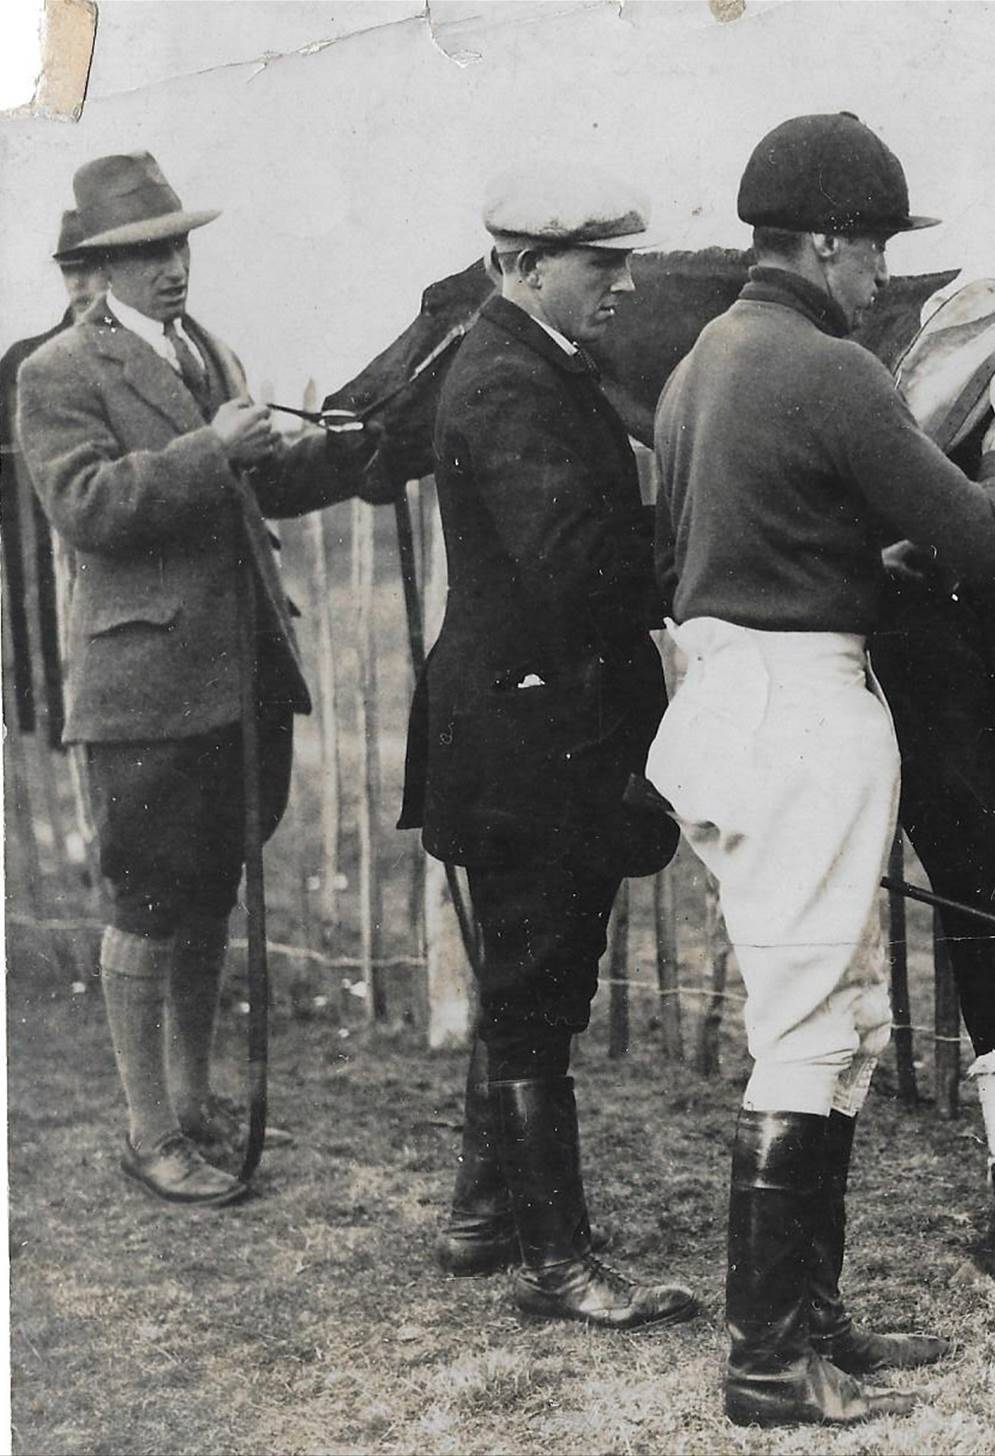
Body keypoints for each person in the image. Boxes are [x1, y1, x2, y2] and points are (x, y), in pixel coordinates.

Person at [647, 111, 995, 1427]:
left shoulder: (701, 363)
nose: (881, 273)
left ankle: (808, 1322)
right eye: (872, 246)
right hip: (800, 712)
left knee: (828, 1021)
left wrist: (834, 565)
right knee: (808, 1033)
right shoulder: (831, 368)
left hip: (727, 695)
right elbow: (982, 542)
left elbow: (716, 547)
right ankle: (768, 1362)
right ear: (820, 242)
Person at [12, 151, 390, 1208]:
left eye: (177, 245)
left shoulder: (204, 353)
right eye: (145, 252)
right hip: (143, 692)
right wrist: (214, 451)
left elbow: (259, 481)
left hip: (238, 677)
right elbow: (88, 507)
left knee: (209, 890)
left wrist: (354, 452)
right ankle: (147, 1132)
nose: (171, 268)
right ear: (101, 265)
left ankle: (191, 1101)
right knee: (146, 899)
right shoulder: (57, 373)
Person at [396, 161, 697, 1332]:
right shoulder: (508, 386)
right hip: (535, 732)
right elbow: (579, 570)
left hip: (539, 723)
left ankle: (485, 1216)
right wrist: (699, 553)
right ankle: (557, 1262)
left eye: (624, 262)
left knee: (537, 980)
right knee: (535, 990)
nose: (622, 286)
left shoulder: (544, 366)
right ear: (522, 269)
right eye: (600, 267)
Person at [1, 209, 103, 741]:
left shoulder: (147, 360)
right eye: (70, 269)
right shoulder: (24, 365)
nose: (81, 284)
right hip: (41, 584)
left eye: (94, 266)